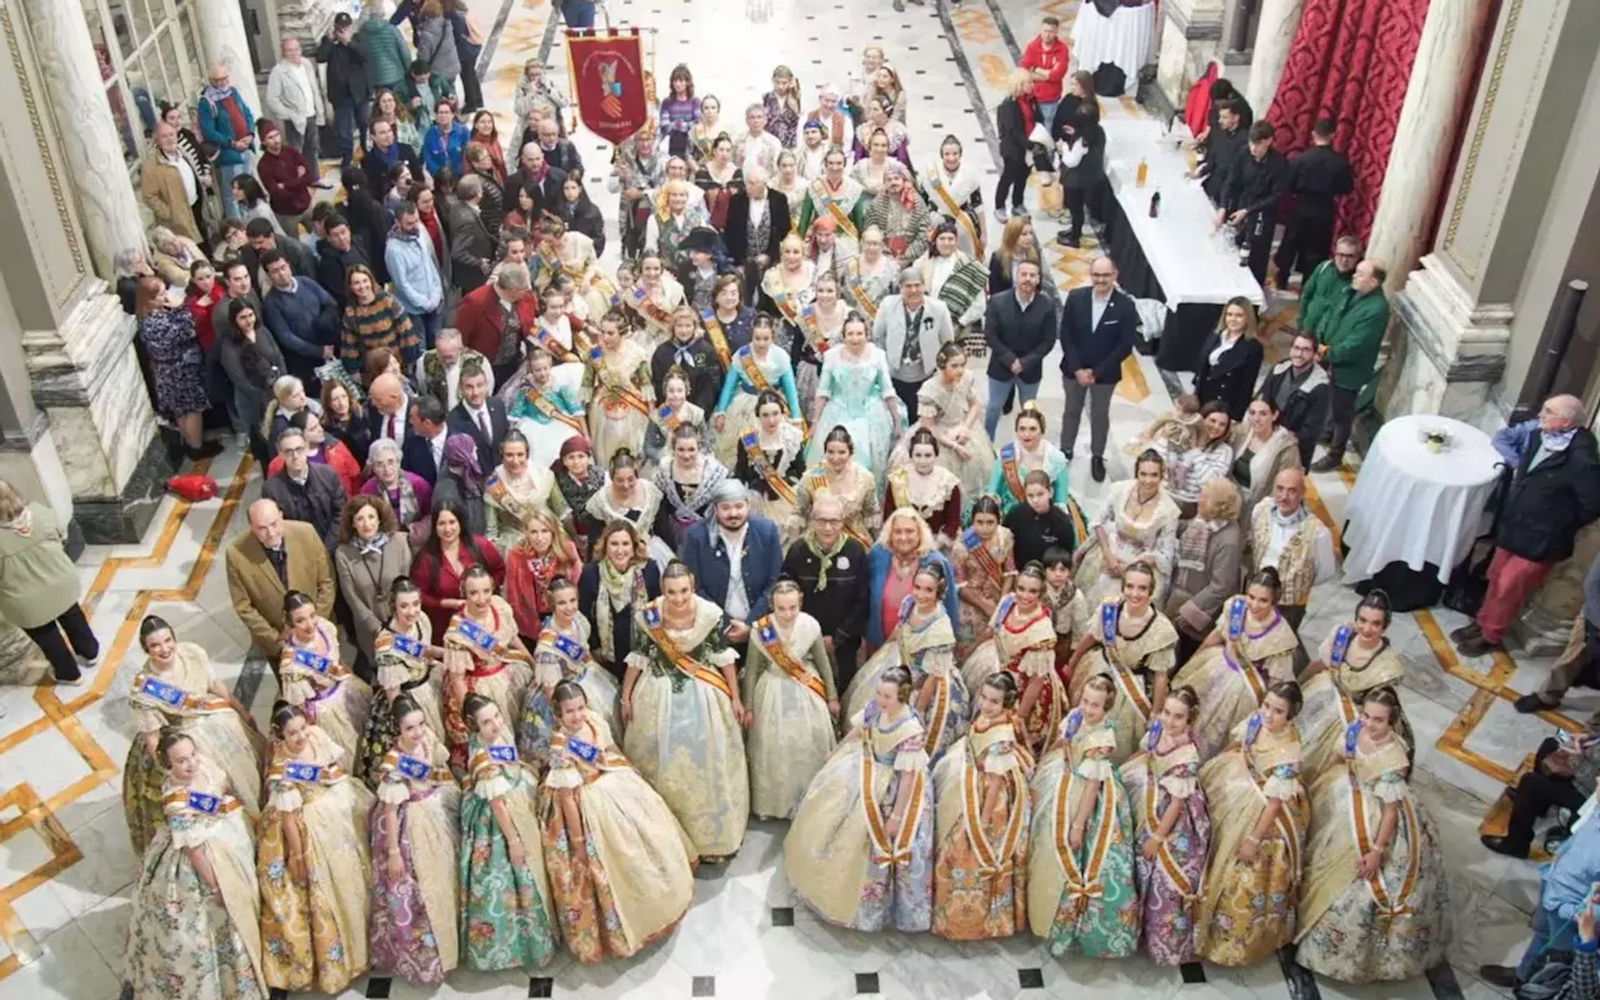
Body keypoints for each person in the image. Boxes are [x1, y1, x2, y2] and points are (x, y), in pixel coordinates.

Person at [1297, 688, 1450, 981]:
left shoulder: (1393, 758)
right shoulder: (1356, 728)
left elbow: (1390, 812)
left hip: (1376, 814)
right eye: (1366, 715)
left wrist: (1376, 851)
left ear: (1392, 721)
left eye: (1378, 720)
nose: (1369, 723)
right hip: (1342, 791)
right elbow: (1338, 757)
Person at [539, 682, 695, 962]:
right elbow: (567, 799)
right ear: (558, 713)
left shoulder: (593, 720)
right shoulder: (560, 748)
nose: (577, 715)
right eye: (569, 711)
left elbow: (608, 750)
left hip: (613, 783)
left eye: (580, 708)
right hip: (587, 802)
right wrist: (579, 842)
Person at [785, 664, 935, 930]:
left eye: (887, 696)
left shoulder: (911, 730)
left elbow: (908, 777)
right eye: (879, 693)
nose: (881, 700)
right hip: (862, 766)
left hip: (892, 786)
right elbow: (859, 730)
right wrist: (837, 750)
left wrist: (896, 817)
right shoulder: (876, 707)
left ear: (902, 696)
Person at [622, 560, 749, 862]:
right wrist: (626, 697)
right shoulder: (648, 617)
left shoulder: (710, 614)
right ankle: (666, 840)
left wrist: (735, 697)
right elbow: (638, 658)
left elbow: (723, 658)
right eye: (671, 592)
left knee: (708, 759)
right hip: (657, 692)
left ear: (692, 586)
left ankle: (712, 841)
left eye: (684, 591)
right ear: (662, 590)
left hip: (704, 693)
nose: (678, 598)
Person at [124, 731, 267, 1000]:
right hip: (201, 861)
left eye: (193, 755)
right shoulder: (176, 801)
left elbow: (222, 789)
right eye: (181, 761)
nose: (191, 763)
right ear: (168, 765)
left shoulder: (204, 767)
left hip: (227, 837)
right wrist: (215, 886)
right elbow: (193, 849)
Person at [256, 702, 375, 994]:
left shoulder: (317, 736)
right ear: (280, 735)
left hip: (338, 808)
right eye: (292, 733)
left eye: (302, 728)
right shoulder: (282, 770)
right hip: (310, 825)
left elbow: (335, 766)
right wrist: (297, 855)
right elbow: (288, 818)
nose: (300, 737)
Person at [122, 617, 265, 854]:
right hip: (188, 742)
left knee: (248, 770)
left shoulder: (192, 653)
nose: (164, 649)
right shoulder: (146, 689)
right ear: (146, 649)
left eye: (168, 640)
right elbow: (152, 738)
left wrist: (241, 711)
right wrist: (172, 773)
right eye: (155, 645)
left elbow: (215, 685)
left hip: (221, 723)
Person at [1194, 681, 1310, 966]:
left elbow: (1275, 803)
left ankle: (1221, 936)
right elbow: (1239, 742)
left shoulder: (1288, 752)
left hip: (1263, 812)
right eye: (1266, 706)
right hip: (1237, 780)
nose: (1268, 715)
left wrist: (1254, 839)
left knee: (1237, 869)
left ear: (1291, 715)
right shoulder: (1258, 720)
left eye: (1278, 711)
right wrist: (1218, 763)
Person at [1027, 675, 1140, 956]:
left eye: (1095, 705)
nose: (1088, 709)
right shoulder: (1077, 716)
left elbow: (1092, 786)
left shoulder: (1102, 739)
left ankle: (1065, 919)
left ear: (1106, 708)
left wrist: (1078, 825)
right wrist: (1043, 764)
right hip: (1062, 776)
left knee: (1077, 852)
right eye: (1085, 701)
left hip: (1086, 794)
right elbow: (1062, 742)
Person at [457, 693, 559, 971]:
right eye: (486, 722)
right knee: (516, 877)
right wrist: (513, 840)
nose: (495, 724)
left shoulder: (497, 737)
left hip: (517, 797)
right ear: (475, 727)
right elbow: (497, 804)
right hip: (500, 822)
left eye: (497, 716)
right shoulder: (483, 760)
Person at [928, 672, 1030, 942]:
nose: (986, 705)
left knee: (969, 848)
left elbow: (995, 780)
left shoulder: (1002, 735)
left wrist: (983, 818)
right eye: (984, 697)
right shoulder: (985, 719)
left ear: (1006, 704)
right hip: (970, 779)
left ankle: (979, 919)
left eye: (994, 702)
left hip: (989, 797)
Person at [366, 691, 459, 984]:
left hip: (435, 807)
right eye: (410, 728)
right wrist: (394, 852)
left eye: (420, 724)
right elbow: (390, 810)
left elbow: (438, 767)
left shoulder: (427, 739)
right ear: (397, 730)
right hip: (410, 825)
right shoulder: (393, 763)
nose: (418, 732)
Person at [1119, 686, 1212, 966]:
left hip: (1171, 812)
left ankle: (1157, 936)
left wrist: (1158, 838)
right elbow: (1146, 752)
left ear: (1189, 720)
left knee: (1162, 872)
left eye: (1178, 717)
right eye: (1167, 713)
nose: (1170, 721)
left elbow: (1176, 803)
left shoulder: (1187, 756)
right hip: (1147, 785)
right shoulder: (1159, 729)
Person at [1169, 569, 1298, 757]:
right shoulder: (1236, 606)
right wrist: (1195, 659)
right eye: (1251, 597)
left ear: (1274, 601)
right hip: (1217, 664)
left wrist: (1264, 714)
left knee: (1216, 733)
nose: (1254, 605)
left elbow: (1275, 682)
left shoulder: (1281, 636)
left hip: (1242, 690)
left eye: (1263, 600)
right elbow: (1217, 635)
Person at [744, 578, 839, 820]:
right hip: (771, 692)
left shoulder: (810, 625)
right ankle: (774, 805)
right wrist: (748, 707)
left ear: (800, 603)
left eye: (792, 608)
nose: (787, 614)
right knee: (773, 749)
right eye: (781, 609)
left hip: (806, 689)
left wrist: (832, 696)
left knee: (808, 745)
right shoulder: (761, 630)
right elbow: (751, 670)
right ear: (772, 606)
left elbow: (823, 662)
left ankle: (808, 801)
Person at [1066, 562, 1180, 762]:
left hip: (1132, 691)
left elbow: (1160, 676)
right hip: (1099, 671)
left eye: (1142, 588)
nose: (1134, 594)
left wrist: (1155, 713)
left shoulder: (1162, 630)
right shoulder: (1109, 609)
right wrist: (1072, 663)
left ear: (1151, 591)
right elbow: (1091, 637)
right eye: (1130, 586)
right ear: (1123, 587)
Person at [1297, 591, 1409, 777]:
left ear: (1385, 626)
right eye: (1362, 620)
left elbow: (1377, 708)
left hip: (1349, 718)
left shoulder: (1388, 667)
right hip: (1319, 692)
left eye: (1375, 623)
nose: (1367, 628)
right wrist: (1298, 684)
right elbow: (1319, 664)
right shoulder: (1343, 635)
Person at [277, 589, 375, 775]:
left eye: (312, 615)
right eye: (300, 620)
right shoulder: (292, 663)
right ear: (290, 624)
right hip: (325, 711)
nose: (309, 624)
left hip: (345, 688)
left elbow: (336, 663)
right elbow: (299, 707)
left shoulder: (324, 627)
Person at [1059, 254, 1138, 479]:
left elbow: (1125, 345)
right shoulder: (1076, 297)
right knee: (1071, 411)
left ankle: (1097, 455)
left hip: (1105, 374)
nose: (1101, 280)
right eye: (1096, 275)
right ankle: (1065, 450)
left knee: (1100, 415)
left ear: (1115, 275)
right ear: (1090, 275)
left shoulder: (1125, 305)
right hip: (1073, 370)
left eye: (1105, 275)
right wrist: (1078, 369)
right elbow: (1065, 334)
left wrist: (1096, 372)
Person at [516, 573, 614, 754]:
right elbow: (551, 691)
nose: (569, 607)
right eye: (562, 603)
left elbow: (584, 652)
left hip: (585, 677)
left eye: (572, 601)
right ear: (552, 604)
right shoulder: (547, 646)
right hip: (560, 694)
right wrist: (560, 721)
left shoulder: (578, 620)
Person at [225, 499, 335, 659]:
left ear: (281, 517)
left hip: (318, 632)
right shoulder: (236, 553)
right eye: (262, 528)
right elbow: (243, 606)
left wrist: (314, 622)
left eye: (274, 524)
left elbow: (327, 581)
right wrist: (275, 638)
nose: (271, 533)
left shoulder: (306, 533)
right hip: (278, 642)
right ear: (251, 527)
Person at [1310, 258, 1391, 472]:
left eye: (1361, 274)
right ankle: (1326, 433)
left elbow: (1357, 343)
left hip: (1349, 369)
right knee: (1329, 400)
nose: (1354, 275)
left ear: (1373, 282)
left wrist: (1327, 354)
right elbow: (1329, 316)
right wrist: (1319, 340)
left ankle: (1335, 454)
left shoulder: (1377, 309)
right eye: (1357, 271)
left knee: (1342, 413)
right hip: (1328, 357)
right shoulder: (1349, 291)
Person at [807, 311, 903, 485]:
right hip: (838, 410)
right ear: (843, 336)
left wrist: (896, 420)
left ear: (867, 335)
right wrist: (814, 423)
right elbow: (823, 391)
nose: (855, 338)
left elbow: (887, 390)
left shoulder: (878, 355)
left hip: (870, 413)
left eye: (859, 333)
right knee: (830, 460)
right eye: (850, 334)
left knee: (866, 464)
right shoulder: (832, 356)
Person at [1076, 449, 1181, 607]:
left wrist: (1132, 568)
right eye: (1143, 474)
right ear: (1136, 473)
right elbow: (1098, 521)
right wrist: (1108, 556)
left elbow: (1166, 556)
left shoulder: (1169, 510)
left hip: (1142, 562)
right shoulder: (1120, 490)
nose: (1148, 480)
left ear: (1161, 476)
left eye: (1154, 475)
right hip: (1110, 552)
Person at [134, 276, 218, 460]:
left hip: (168, 372)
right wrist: (181, 307)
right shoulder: (155, 322)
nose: (166, 296)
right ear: (150, 299)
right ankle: (197, 447)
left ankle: (192, 443)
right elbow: (185, 330)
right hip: (179, 371)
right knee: (192, 409)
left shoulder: (149, 317)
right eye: (161, 294)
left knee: (181, 410)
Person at [1247, 467, 1336, 631]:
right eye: (1280, 489)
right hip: (1256, 595)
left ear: (1302, 493)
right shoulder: (1261, 510)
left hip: (1288, 607)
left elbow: (1326, 572)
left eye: (1292, 491)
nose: (1284, 496)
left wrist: (1298, 583)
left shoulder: (1318, 532)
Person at [1165, 477, 1245, 661]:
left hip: (1197, 612)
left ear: (1217, 505)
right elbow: (1185, 528)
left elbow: (1221, 587)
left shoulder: (1228, 541)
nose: (1198, 500)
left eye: (1204, 497)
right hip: (1181, 598)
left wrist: (1188, 611)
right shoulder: (1204, 521)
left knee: (1185, 656)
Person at [333, 494, 412, 669]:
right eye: (360, 519)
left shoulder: (399, 542)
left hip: (402, 620)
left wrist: (397, 620)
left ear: (379, 519)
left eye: (371, 517)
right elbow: (351, 597)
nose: (366, 524)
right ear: (353, 524)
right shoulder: (343, 553)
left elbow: (405, 584)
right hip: (368, 628)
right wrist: (376, 627)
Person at [713, 315, 802, 465]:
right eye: (757, 338)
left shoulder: (781, 356)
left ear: (772, 337)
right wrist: (721, 411)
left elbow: (790, 389)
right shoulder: (742, 355)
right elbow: (729, 385)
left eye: (766, 339)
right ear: (751, 336)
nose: (761, 343)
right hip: (744, 406)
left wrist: (795, 417)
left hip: (773, 406)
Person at [1273, 118, 1354, 284]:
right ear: (1332, 135)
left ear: (1313, 134)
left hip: (1301, 205)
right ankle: (1307, 284)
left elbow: (1289, 185)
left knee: (1291, 242)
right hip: (1324, 208)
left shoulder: (1301, 159)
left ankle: (1282, 278)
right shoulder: (1340, 162)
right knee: (1316, 248)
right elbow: (1346, 188)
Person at [579, 521, 663, 678]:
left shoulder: (649, 570)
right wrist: (594, 647)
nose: (620, 550)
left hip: (641, 654)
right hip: (604, 656)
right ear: (605, 546)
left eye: (625, 544)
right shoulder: (591, 573)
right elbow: (583, 615)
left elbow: (656, 611)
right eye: (614, 544)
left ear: (634, 546)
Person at [982, 259, 1055, 439]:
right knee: (993, 408)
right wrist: (1010, 360)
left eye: (1032, 275)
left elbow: (1048, 341)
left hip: (1030, 370)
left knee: (1029, 412)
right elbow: (990, 335)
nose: (1028, 279)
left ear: (1038, 279)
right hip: (1000, 367)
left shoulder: (1046, 305)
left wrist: (1025, 362)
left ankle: (1028, 444)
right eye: (1024, 274)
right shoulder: (997, 302)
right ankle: (986, 443)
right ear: (1016, 276)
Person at [872, 268, 954, 424]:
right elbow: (877, 336)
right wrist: (886, 363)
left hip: (926, 375)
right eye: (908, 286)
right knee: (898, 420)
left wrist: (940, 371)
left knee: (923, 420)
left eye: (917, 285)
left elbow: (947, 342)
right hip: (895, 374)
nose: (913, 290)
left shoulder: (939, 308)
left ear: (924, 286)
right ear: (900, 288)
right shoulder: (888, 305)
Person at [1218, 121, 1289, 284]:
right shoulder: (1243, 153)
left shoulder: (1279, 164)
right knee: (1233, 247)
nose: (1253, 148)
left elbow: (1277, 196)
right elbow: (1231, 181)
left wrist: (1248, 211)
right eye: (1251, 143)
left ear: (1268, 141)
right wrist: (1223, 206)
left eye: (1258, 144)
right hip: (1241, 206)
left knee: (1256, 256)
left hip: (1262, 213)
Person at [483, 430, 567, 553]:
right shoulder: (494, 483)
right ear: (502, 456)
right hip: (513, 542)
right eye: (509, 455)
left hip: (547, 533)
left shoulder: (544, 475)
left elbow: (563, 510)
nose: (515, 460)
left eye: (520, 454)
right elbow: (491, 530)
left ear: (527, 455)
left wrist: (574, 537)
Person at [1257, 330, 1331, 469]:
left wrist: (1282, 440)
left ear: (1315, 355)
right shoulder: (1279, 369)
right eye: (1296, 348)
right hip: (1266, 437)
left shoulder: (1320, 386)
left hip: (1294, 450)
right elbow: (1263, 400)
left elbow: (1311, 430)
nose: (1299, 354)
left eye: (1306, 350)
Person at [264, 425, 347, 548]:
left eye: (299, 449)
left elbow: (341, 511)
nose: (295, 456)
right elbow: (277, 526)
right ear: (280, 454)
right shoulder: (271, 489)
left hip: (333, 545)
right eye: (288, 451)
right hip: (298, 549)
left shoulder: (327, 474)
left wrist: (327, 547)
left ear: (307, 448)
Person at [986, 403, 1072, 516]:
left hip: (1045, 515)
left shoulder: (1056, 459)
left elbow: (1060, 500)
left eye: (1032, 429)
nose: (1026, 434)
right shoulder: (1006, 454)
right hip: (1011, 514)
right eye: (1022, 429)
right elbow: (992, 492)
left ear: (1042, 431)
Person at [198, 65, 257, 221]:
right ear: (211, 81)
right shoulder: (206, 102)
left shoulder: (233, 92)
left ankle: (250, 221)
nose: (223, 82)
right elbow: (209, 132)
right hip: (229, 155)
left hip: (245, 148)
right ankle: (237, 226)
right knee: (232, 195)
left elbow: (247, 114)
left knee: (247, 190)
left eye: (225, 78)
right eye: (219, 80)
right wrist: (232, 143)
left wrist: (250, 134)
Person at [385, 202, 446, 347]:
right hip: (414, 311)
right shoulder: (394, 251)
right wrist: (424, 303)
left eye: (416, 221)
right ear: (397, 222)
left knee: (438, 343)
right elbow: (402, 285)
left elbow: (430, 265)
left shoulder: (419, 234)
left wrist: (437, 293)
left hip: (434, 301)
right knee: (420, 347)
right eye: (409, 224)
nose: (414, 226)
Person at [1194, 297, 1264, 422]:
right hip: (1203, 398)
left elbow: (1247, 386)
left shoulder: (1253, 348)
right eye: (1229, 314)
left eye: (1239, 315)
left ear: (1248, 318)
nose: (1233, 319)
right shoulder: (1215, 336)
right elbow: (1202, 369)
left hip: (1224, 405)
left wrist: (1236, 416)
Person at [918, 135, 987, 261]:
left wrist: (984, 233)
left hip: (963, 220)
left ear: (960, 154)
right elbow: (921, 204)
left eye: (955, 154)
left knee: (966, 257)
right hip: (936, 219)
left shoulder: (970, 174)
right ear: (942, 155)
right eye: (947, 154)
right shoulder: (930, 174)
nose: (951, 158)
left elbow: (978, 205)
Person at [1230, 396, 1302, 514]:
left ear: (1274, 415)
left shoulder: (1286, 447)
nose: (1256, 419)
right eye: (1252, 413)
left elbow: (1286, 484)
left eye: (1263, 414)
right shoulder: (1240, 432)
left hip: (1260, 504)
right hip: (1230, 495)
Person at [1163, 401, 1234, 520]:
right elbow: (1161, 462)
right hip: (1166, 496)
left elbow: (1210, 483)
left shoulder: (1225, 451)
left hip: (1192, 506)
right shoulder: (1181, 435)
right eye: (1212, 421)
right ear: (1201, 420)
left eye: (1222, 424)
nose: (1216, 427)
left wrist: (1196, 452)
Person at [140, 122, 204, 242]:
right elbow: (148, 196)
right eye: (164, 136)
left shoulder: (182, 154)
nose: (169, 139)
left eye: (171, 135)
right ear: (157, 139)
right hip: (177, 221)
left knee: (204, 247)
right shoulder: (151, 166)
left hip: (196, 208)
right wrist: (169, 213)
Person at [1056, 100, 1106, 249]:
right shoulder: (1098, 132)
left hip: (1076, 181)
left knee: (1075, 209)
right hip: (1091, 177)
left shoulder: (1083, 141)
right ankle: (1074, 230)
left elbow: (1071, 161)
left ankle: (1074, 238)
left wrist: (1064, 147)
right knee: (1078, 209)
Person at [1003, 470, 1077, 570]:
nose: (1035, 500)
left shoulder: (1062, 522)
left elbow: (1066, 557)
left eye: (1040, 494)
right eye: (1030, 496)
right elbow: (1004, 544)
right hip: (1020, 574)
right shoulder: (1016, 514)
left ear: (1050, 492)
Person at [994, 71, 1039, 222]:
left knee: (1023, 176)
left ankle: (1017, 203)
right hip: (1013, 148)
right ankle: (999, 206)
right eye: (1028, 83)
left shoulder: (1031, 100)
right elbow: (1012, 130)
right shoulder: (1008, 105)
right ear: (1020, 84)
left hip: (1028, 146)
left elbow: (1037, 118)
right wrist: (1028, 144)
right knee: (1008, 177)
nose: (1032, 85)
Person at [360, 437, 433, 528]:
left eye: (391, 462)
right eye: (380, 464)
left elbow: (430, 514)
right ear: (373, 468)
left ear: (398, 462)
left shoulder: (419, 484)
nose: (387, 469)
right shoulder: (367, 490)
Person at [796, 147, 866, 240]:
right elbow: (804, 222)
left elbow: (859, 225)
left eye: (839, 163)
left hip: (846, 240)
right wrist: (799, 242)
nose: (834, 167)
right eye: (831, 163)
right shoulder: (815, 186)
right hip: (820, 238)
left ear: (844, 164)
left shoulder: (854, 188)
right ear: (825, 164)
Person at [1299, 235, 1361, 339]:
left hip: (1330, 339)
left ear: (1357, 258)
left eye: (1350, 256)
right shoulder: (1323, 268)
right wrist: (1301, 322)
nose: (1344, 260)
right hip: (1307, 330)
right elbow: (1306, 295)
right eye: (1341, 255)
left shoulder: (1358, 282)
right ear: (1335, 253)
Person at [1020, 15, 1070, 133]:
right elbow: (1025, 71)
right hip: (1031, 96)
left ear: (1056, 32)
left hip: (1050, 99)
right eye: (1045, 31)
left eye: (1051, 32)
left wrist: (1035, 69)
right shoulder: (1032, 47)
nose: (1047, 35)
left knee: (1046, 128)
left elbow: (1057, 75)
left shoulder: (1062, 49)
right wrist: (1047, 75)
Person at [322, 380, 374, 467]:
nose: (341, 403)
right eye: (335, 399)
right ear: (328, 403)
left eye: (344, 396)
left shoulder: (363, 415)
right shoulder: (326, 429)